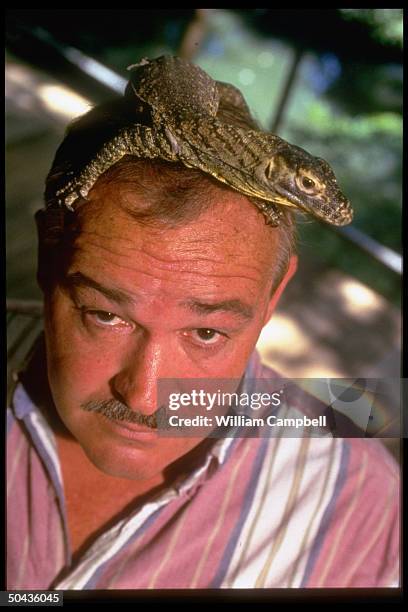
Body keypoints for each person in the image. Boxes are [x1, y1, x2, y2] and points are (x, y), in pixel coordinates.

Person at [7, 57, 399, 591]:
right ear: (46, 258)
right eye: (106, 315)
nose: (145, 397)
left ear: (273, 297)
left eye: (206, 332)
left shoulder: (365, 507)